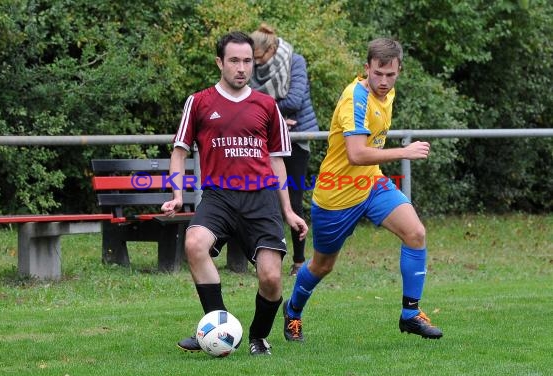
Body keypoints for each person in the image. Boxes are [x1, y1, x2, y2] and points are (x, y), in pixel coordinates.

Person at [282, 37, 443, 342]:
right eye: (378, 74)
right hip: (337, 193)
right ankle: (292, 311)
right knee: (322, 265)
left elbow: (365, 159)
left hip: (370, 183)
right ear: (366, 68)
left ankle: (410, 314)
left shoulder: (388, 91)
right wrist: (403, 152)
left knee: (416, 233)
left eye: (390, 74)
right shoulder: (355, 98)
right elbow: (356, 154)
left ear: (399, 70)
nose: (383, 81)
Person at [161, 31, 308, 356]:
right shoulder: (198, 102)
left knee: (271, 278)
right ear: (220, 62)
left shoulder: (267, 106)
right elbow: (179, 150)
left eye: (247, 61)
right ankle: (216, 325)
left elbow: (277, 161)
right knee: (194, 243)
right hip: (219, 197)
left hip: (261, 199)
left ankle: (258, 336)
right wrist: (177, 193)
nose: (242, 68)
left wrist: (289, 210)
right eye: (234, 61)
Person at [249, 23, 319, 276]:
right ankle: (264, 256)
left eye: (258, 58)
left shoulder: (295, 61)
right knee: (262, 198)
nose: (254, 65)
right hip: (263, 137)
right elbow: (245, 97)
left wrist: (268, 109)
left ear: (271, 49)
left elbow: (294, 100)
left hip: (296, 140)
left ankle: (299, 260)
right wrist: (277, 113)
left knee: (294, 200)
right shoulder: (253, 66)